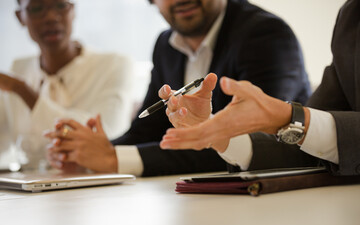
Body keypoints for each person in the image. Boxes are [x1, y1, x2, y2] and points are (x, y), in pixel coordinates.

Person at [45, 0, 312, 176]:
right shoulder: (165, 46)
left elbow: (252, 142)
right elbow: (148, 129)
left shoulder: (265, 34)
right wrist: (88, 153)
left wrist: (113, 158)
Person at [159, 0, 360, 176]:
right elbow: (309, 146)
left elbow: (310, 130)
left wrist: (289, 118)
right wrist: (217, 133)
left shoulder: (263, 31)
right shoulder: (352, 15)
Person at [0, 0, 133, 170]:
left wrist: (23, 90)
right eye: (37, 8)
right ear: (20, 17)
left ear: (73, 10)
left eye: (61, 5)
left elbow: (107, 135)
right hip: (31, 191)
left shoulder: (114, 65)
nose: (50, 17)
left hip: (97, 189)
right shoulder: (18, 69)